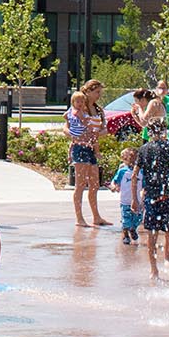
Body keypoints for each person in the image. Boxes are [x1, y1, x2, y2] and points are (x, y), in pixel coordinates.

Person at [137, 121, 169, 281]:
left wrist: (134, 198)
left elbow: (134, 175)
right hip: (167, 194)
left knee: (152, 234)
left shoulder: (143, 149)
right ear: (165, 131)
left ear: (149, 133)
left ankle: (154, 271)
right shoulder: (168, 146)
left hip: (151, 195)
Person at [66, 80, 110, 227]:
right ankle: (79, 218)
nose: (99, 95)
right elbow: (66, 126)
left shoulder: (98, 110)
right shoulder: (78, 107)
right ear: (89, 91)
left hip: (92, 148)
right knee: (80, 184)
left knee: (94, 183)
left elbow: (105, 128)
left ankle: (96, 216)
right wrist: (73, 136)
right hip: (80, 147)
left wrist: (99, 133)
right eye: (97, 92)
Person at [109, 148, 143, 245]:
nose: (133, 161)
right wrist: (114, 186)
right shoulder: (122, 171)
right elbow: (115, 182)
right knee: (126, 219)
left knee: (138, 218)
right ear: (126, 160)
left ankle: (132, 229)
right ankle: (125, 234)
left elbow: (144, 185)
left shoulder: (141, 172)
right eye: (131, 159)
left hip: (138, 200)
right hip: (125, 200)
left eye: (136, 159)